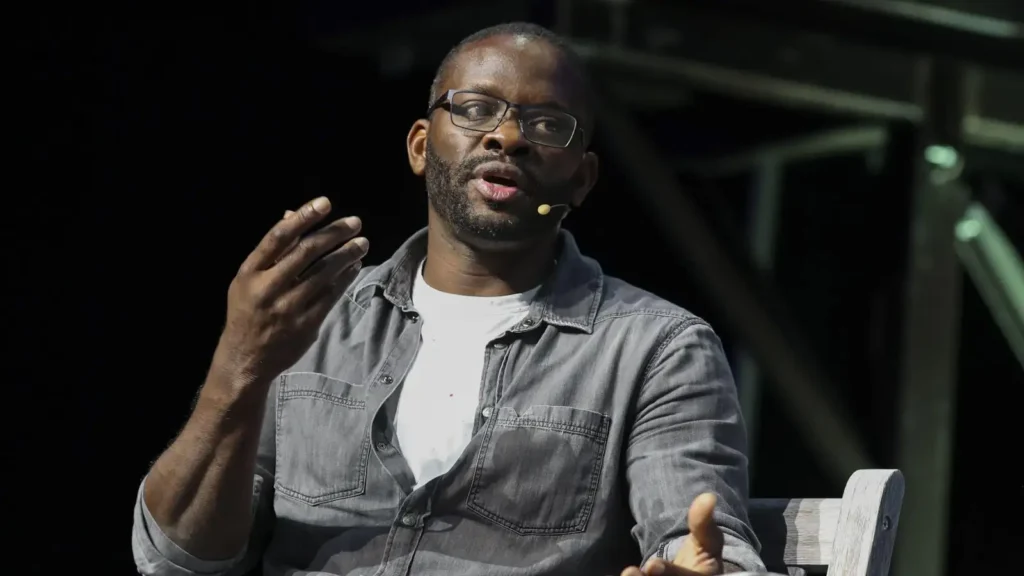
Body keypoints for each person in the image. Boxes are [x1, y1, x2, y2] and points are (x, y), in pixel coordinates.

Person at [132, 22, 765, 576]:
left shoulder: (657, 349)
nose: (507, 137)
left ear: (582, 178)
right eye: (476, 109)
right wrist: (238, 365)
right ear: (419, 146)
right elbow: (179, 558)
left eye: (547, 124)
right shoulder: (314, 318)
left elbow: (700, 536)